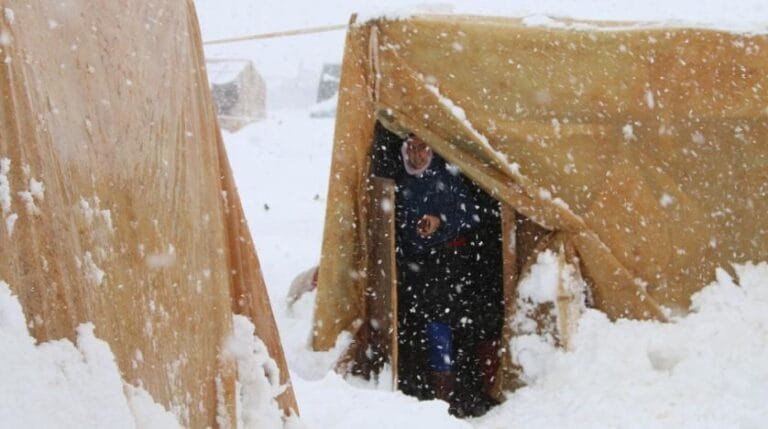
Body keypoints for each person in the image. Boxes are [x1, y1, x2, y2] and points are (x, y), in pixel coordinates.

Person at [370, 123, 503, 417]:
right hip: (422, 268)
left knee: (463, 325)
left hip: (455, 263)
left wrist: (440, 221)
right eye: (412, 148)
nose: (417, 155)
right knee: (434, 328)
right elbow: (396, 226)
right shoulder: (402, 186)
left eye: (423, 148)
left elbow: (472, 213)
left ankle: (472, 389)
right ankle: (442, 395)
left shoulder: (449, 179)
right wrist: (416, 233)